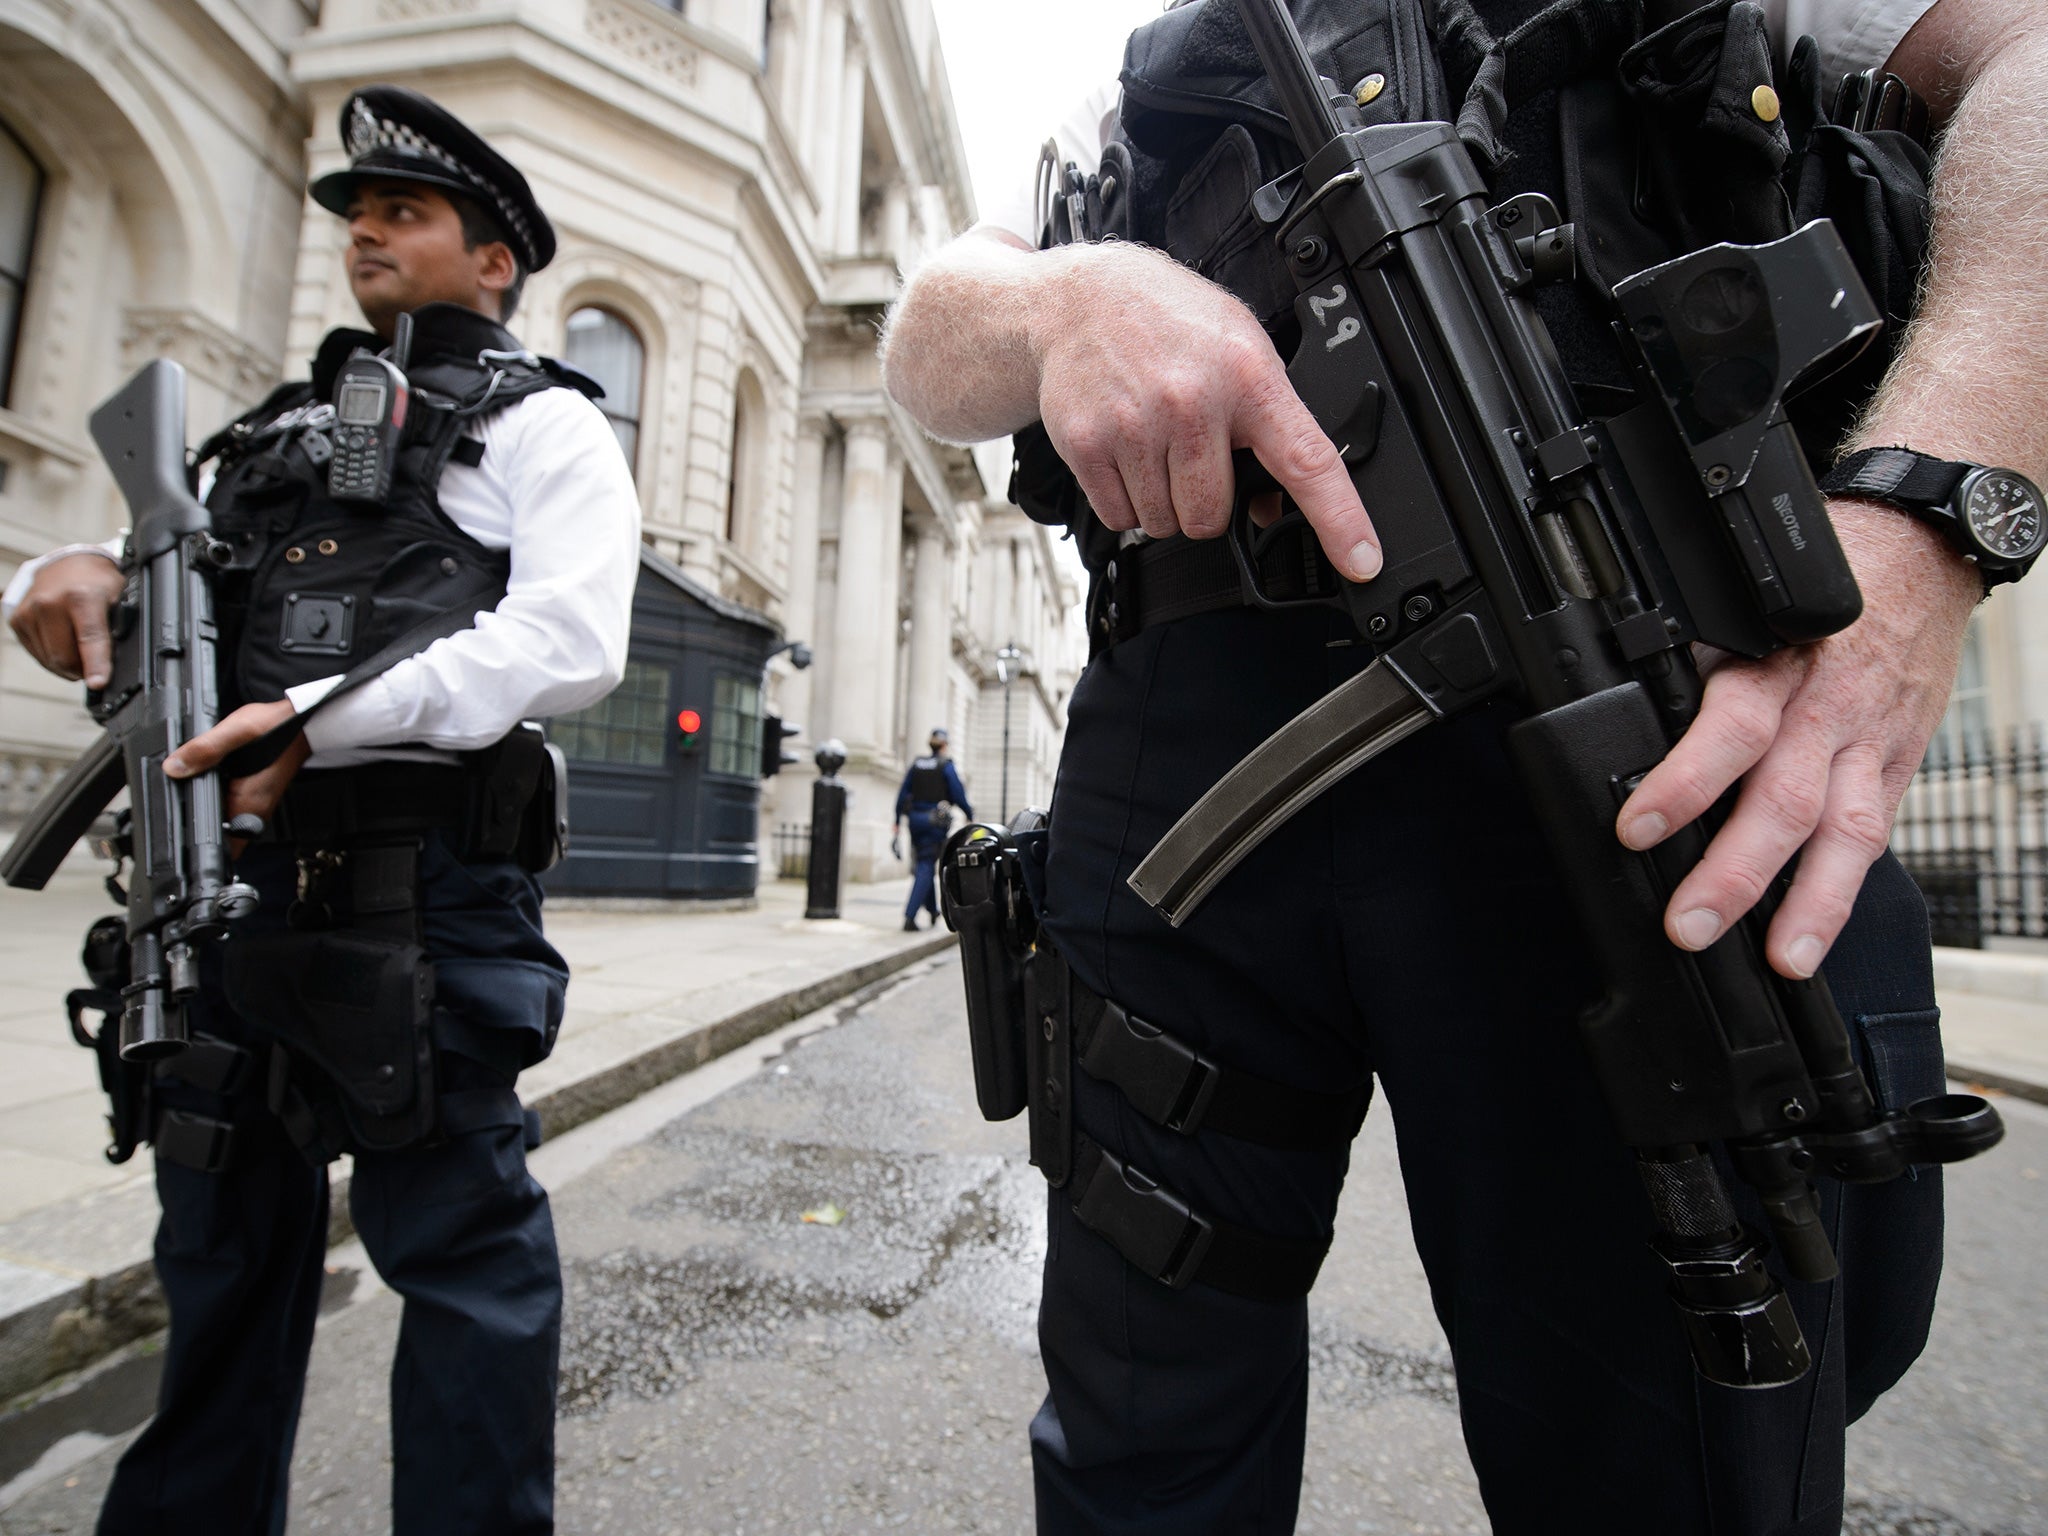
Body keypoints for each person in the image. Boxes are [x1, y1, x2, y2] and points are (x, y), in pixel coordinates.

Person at [882, 0, 2046, 1530]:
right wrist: (1064, 305)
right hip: (1182, 771)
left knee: (1679, 1451)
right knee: (1135, 1447)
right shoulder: (1207, 49)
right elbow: (931, 333)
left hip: (1637, 735)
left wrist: (1931, 508)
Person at [3, 85, 640, 1535]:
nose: (365, 234)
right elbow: (130, 565)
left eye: (403, 214)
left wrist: (323, 716)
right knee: (218, 1264)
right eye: (355, 216)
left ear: (496, 257)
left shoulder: (541, 427)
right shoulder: (274, 436)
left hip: (414, 903)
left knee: (466, 1273)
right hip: (223, 898)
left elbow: (568, 640)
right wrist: (60, 571)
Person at [895, 726, 974, 929]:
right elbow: (957, 793)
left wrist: (896, 820)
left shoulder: (917, 764)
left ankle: (932, 910)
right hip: (934, 823)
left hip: (915, 820)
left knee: (924, 862)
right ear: (944, 745)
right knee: (926, 865)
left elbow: (903, 794)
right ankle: (910, 916)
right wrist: (969, 814)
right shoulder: (945, 765)